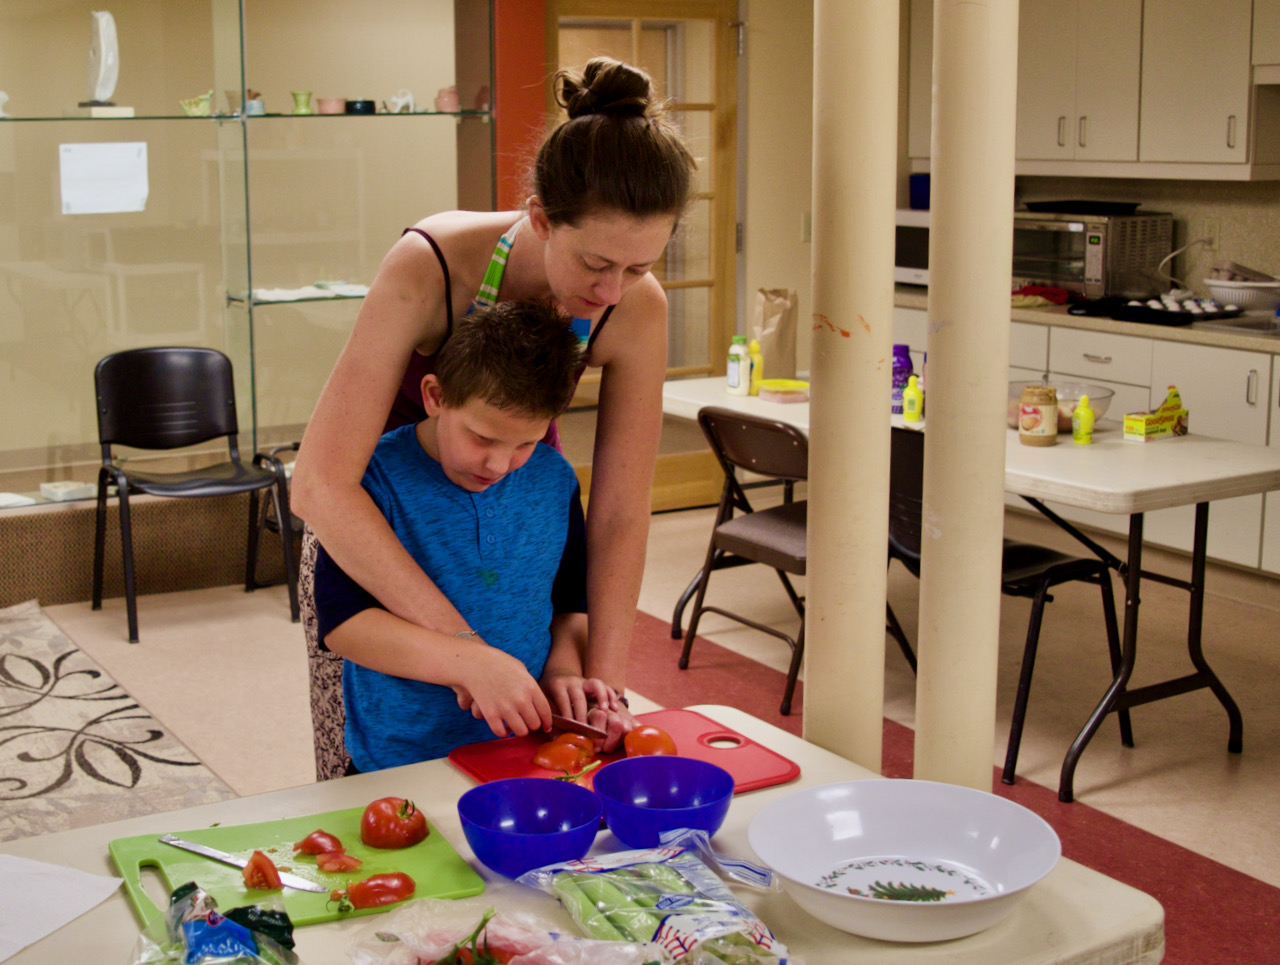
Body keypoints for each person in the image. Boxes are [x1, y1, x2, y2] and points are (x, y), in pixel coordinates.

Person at [290, 56, 697, 779]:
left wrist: (599, 684)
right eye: (597, 263)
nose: (612, 291)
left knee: (523, 777)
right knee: (379, 781)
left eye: (638, 268)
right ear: (540, 218)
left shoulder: (636, 307)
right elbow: (321, 485)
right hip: (384, 534)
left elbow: (619, 513)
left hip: (514, 531)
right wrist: (464, 650)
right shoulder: (432, 263)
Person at [314, 300, 608, 772]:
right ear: (435, 396)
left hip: (522, 750)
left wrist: (563, 669)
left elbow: (571, 603)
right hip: (399, 758)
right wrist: (470, 663)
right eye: (482, 438)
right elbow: (345, 626)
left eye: (525, 443)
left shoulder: (554, 479)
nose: (499, 465)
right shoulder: (372, 479)